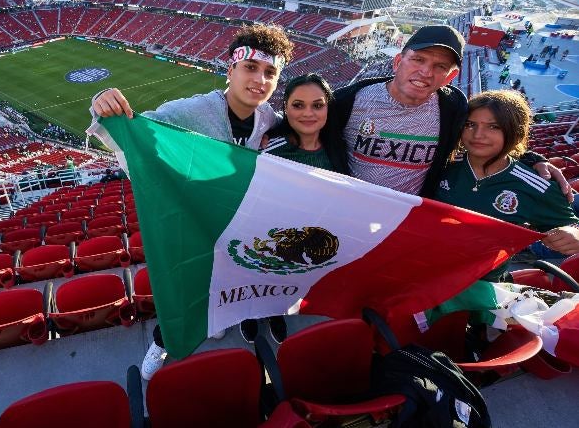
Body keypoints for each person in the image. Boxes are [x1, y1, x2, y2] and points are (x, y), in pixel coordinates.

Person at [91, 23, 294, 379]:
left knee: (242, 274)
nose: (260, 79)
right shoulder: (191, 110)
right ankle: (163, 339)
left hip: (241, 220)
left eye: (270, 73)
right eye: (250, 68)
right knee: (188, 287)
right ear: (230, 70)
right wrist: (102, 106)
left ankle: (234, 317)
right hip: (196, 219)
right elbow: (137, 133)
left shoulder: (272, 121)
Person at [326, 24, 568, 200]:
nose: (426, 72)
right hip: (348, 204)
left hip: (406, 217)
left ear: (451, 76)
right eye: (418, 60)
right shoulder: (350, 100)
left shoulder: (453, 109)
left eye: (440, 66)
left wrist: (531, 160)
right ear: (398, 61)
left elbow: (483, 140)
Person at [435, 90, 579, 280]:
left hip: (482, 283)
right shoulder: (439, 165)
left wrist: (572, 233)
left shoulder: (537, 184)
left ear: (515, 131)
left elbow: (570, 224)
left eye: (493, 126)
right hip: (426, 270)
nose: (478, 134)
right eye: (470, 124)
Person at [261, 73, 347, 172]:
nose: (308, 113)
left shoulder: (342, 149)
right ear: (285, 107)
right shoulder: (265, 151)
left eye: (318, 105)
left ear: (328, 107)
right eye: (298, 105)